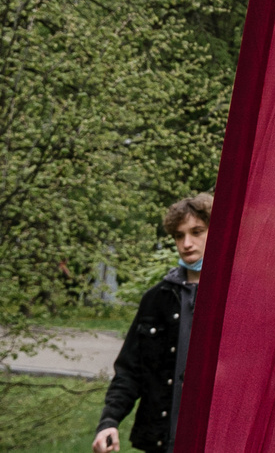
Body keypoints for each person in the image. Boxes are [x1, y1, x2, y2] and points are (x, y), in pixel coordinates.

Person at [93, 194, 213, 453]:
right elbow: (129, 370)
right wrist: (109, 421)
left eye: (197, 232)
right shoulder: (157, 299)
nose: (187, 243)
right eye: (179, 236)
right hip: (161, 441)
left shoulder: (236, 299)